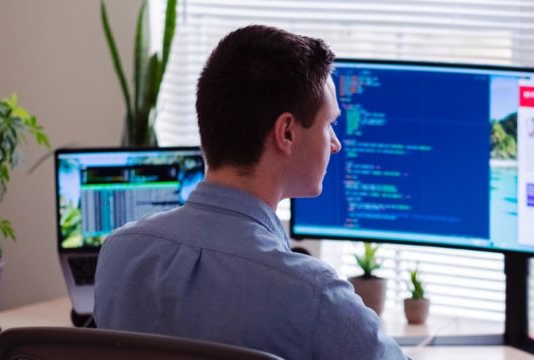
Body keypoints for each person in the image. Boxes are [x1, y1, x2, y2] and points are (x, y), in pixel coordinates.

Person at [93, 25, 407, 360]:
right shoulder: (313, 295)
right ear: (286, 132)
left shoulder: (119, 254)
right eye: (328, 123)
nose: (335, 143)